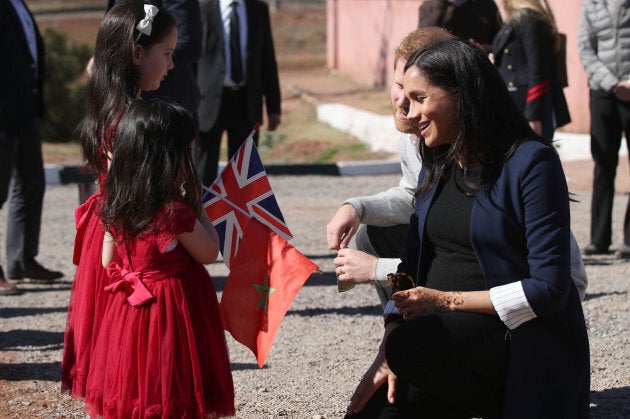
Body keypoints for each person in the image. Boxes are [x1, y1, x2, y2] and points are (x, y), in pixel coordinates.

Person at [346, 38, 589, 418]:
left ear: (462, 95)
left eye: (420, 97)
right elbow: (409, 268)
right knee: (369, 409)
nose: (406, 109)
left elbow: (549, 290)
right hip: (438, 345)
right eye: (404, 95)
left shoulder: (532, 163)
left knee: (414, 348)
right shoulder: (437, 165)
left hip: (516, 345)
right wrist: (390, 338)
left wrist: (443, 300)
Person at [327, 28, 588, 306]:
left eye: (419, 96)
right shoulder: (432, 153)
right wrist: (395, 329)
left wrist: (381, 272)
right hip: (462, 297)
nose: (406, 106)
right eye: (400, 86)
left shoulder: (525, 162)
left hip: (513, 304)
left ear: (459, 88)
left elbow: (479, 273)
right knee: (376, 235)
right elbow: (420, 262)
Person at [83, 99, 234, 418]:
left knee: (140, 378)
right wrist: (201, 207)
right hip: (171, 309)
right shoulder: (173, 212)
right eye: (185, 154)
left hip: (130, 310)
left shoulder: (116, 203)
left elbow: (107, 262)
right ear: (166, 160)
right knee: (174, 373)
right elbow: (208, 253)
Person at [61, 0, 177, 397]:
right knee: (134, 346)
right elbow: (138, 193)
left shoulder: (111, 106)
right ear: (137, 53)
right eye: (167, 54)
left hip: (111, 228)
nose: (172, 65)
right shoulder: (128, 121)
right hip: (126, 238)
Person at [0, 0, 63, 296]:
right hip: (3, 113)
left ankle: (22, 259)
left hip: (25, 111)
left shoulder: (18, 4)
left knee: (31, 184)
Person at [196, 0, 282, 186]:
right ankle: (201, 214)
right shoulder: (203, 8)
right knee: (203, 170)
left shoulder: (258, 9)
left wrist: (274, 107)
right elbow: (193, 59)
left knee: (243, 174)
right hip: (208, 102)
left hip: (246, 101)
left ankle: (238, 215)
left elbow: (267, 59)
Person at [578, 0, 630, 258]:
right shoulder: (591, 5)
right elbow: (585, 49)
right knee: (603, 164)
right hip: (603, 91)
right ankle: (599, 239)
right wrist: (612, 84)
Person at [492, 0, 570, 141]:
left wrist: (534, 115)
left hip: (527, 102)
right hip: (513, 100)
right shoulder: (517, 18)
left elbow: (538, 70)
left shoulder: (529, 20)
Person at [106, 0, 202, 114]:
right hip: (119, 98)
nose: (170, 64)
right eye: (167, 54)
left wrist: (143, 61)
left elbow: (188, 45)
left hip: (164, 106)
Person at [417, 0, 502, 53]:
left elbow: (501, 43)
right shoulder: (429, 7)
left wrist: (482, 49)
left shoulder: (486, 5)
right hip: (440, 73)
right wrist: (439, 6)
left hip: (477, 72)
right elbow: (421, 42)